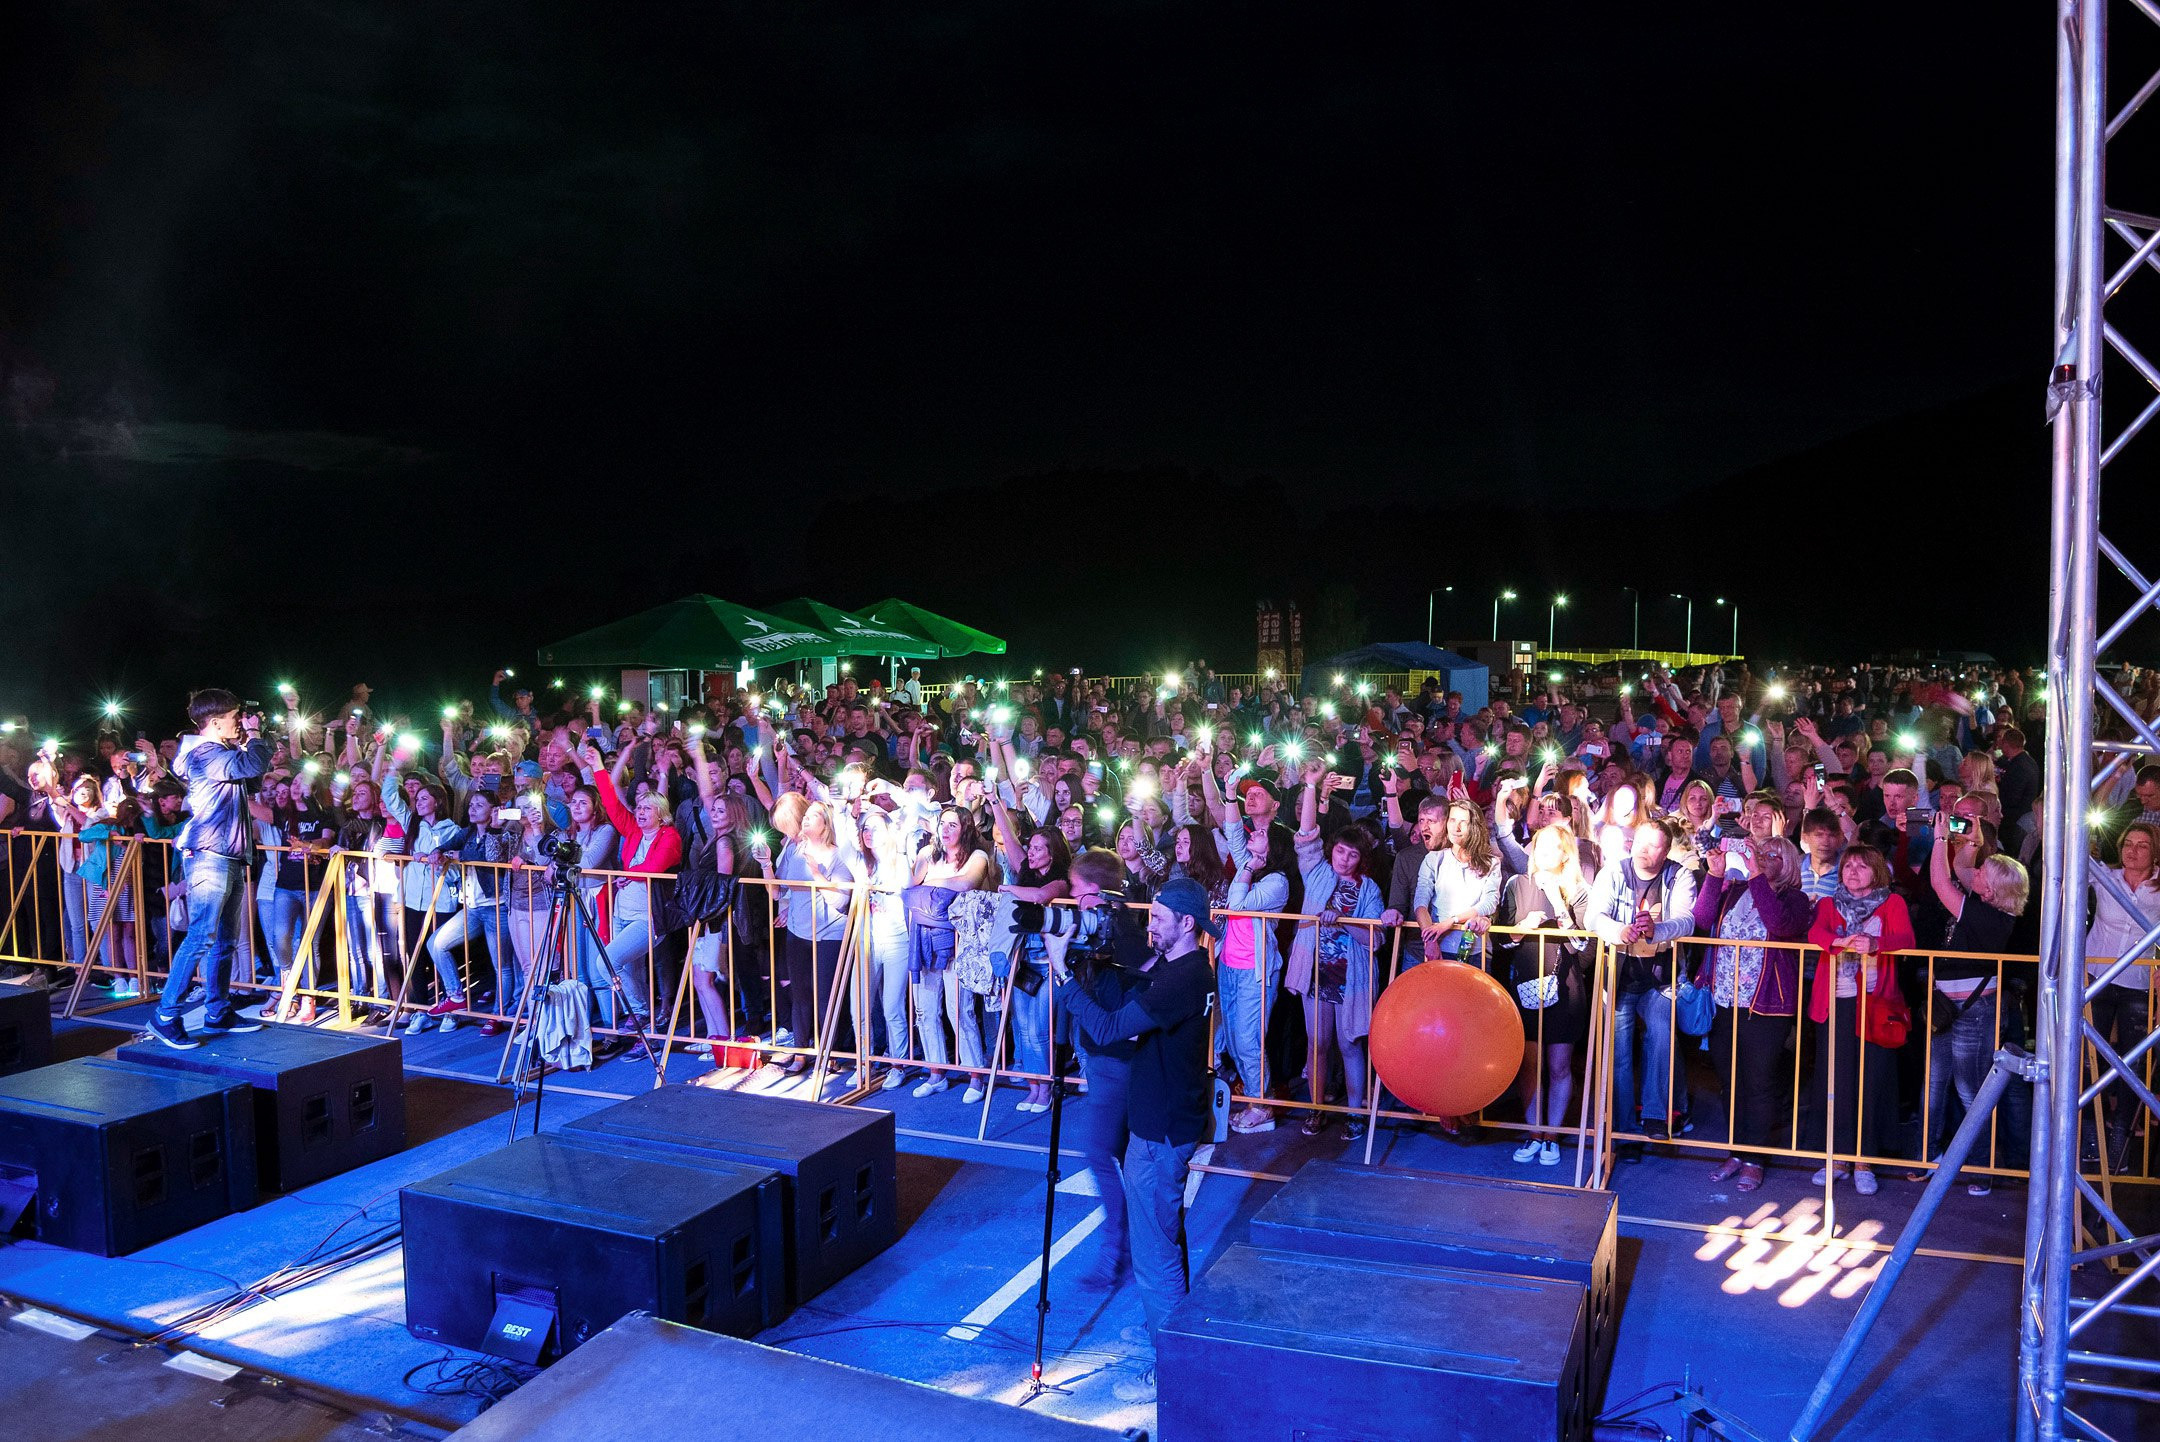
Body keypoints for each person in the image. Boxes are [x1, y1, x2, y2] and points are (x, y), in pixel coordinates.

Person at [1053, 874, 1218, 1399]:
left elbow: (1106, 1030)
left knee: (1155, 1255)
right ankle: (1169, 1333)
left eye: (1160, 919)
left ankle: (1172, 1367)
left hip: (1161, 1132)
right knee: (1166, 1239)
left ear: (1187, 924)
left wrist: (1062, 972)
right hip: (1164, 1123)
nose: (1152, 926)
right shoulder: (1186, 969)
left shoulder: (1183, 979)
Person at [1691, 835, 1812, 1192]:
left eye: (1772, 854)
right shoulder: (1735, 890)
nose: (1762, 857)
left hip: (1767, 1003)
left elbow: (1778, 924)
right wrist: (1714, 875)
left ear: (1788, 864)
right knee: (1730, 1081)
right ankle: (1736, 1150)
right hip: (1726, 999)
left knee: (1760, 1084)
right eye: (1760, 853)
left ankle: (1755, 1158)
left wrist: (1756, 874)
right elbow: (1702, 919)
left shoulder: (1796, 899)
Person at [151, 690, 271, 1049]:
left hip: (228, 853)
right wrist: (257, 739)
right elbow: (250, 767)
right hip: (209, 853)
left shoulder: (222, 752)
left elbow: (253, 779)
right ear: (216, 722)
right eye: (236, 716)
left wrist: (252, 742)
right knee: (202, 935)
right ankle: (165, 1014)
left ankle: (217, 1011)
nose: (240, 721)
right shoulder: (204, 752)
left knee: (225, 939)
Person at [1918, 828, 2029, 1194]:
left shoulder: (1993, 919)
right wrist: (1971, 840)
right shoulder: (1985, 903)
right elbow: (1963, 869)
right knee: (1934, 1085)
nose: (1975, 873)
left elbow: (1940, 881)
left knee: (1969, 1090)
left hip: (1974, 1010)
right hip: (1949, 1006)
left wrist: (1937, 839)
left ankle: (1981, 1168)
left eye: (1984, 873)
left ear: (1994, 888)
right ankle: (1927, 1156)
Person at [1805, 844, 1916, 1195]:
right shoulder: (1828, 903)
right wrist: (1840, 941)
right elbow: (1816, 934)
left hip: (1875, 1005)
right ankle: (1837, 1158)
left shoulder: (1892, 903)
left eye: (1861, 866)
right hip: (1835, 1001)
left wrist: (1877, 943)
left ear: (1877, 872)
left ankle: (1864, 1160)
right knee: (1836, 1081)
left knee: (1872, 1082)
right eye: (1847, 865)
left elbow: (1907, 940)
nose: (1852, 871)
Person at [1588, 817, 1699, 1152]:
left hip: (1660, 975)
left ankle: (1655, 1117)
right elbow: (1593, 917)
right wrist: (1620, 931)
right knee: (1618, 1054)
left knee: (1661, 1040)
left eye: (1652, 845)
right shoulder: (1614, 871)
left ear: (1666, 851)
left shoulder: (1679, 875)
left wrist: (1656, 930)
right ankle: (1623, 1129)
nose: (1643, 849)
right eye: (1640, 841)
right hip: (1620, 974)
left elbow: (1687, 921)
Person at [1284, 774, 1384, 1141]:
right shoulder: (1318, 872)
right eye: (1340, 850)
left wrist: (1342, 921)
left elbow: (1374, 939)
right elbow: (1305, 837)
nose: (1344, 858)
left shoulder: (1369, 889)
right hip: (1315, 973)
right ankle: (1316, 1107)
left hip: (1351, 977)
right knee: (1317, 1043)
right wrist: (1309, 786)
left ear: (1362, 859)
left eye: (1352, 853)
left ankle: (1356, 1112)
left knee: (1350, 1043)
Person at [1496, 822, 1595, 1165]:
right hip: (1524, 982)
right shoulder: (1516, 884)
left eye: (1553, 846)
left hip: (1565, 986)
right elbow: (1501, 940)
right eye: (1539, 845)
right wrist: (1521, 930)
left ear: (1566, 853)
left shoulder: (1579, 891)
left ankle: (1551, 1135)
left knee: (1559, 1065)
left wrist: (1558, 903)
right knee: (1528, 1064)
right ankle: (1533, 1130)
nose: (1544, 852)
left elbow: (1584, 948)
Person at [2084, 820, 2160, 1174]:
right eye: (2128, 843)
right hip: (2099, 979)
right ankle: (2091, 1138)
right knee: (2090, 1060)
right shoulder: (2106, 877)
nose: (2132, 850)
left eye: (2141, 845)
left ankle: (2119, 1146)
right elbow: (2073, 857)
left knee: (2131, 1066)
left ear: (2154, 851)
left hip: (2139, 983)